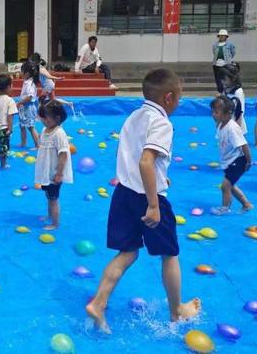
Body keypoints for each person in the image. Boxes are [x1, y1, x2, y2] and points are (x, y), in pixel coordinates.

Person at [86, 68, 201, 332]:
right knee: (170, 254)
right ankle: (177, 311)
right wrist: (153, 203)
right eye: (179, 97)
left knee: (127, 252)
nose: (179, 102)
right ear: (169, 98)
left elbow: (134, 156)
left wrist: (161, 177)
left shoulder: (134, 116)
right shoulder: (162, 123)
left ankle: (98, 303)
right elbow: (146, 160)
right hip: (147, 198)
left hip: (123, 194)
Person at [210, 96, 253, 215]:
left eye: (216, 112)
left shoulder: (232, 128)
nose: (213, 115)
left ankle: (225, 208)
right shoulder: (221, 124)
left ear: (228, 113)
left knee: (225, 186)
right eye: (212, 111)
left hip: (238, 161)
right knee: (231, 186)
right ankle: (246, 204)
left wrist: (249, 161)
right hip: (230, 161)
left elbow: (244, 145)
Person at [35, 100, 73, 230]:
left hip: (54, 174)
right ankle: (50, 216)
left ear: (57, 118)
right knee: (49, 197)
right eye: (42, 117)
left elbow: (63, 154)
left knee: (53, 199)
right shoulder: (46, 130)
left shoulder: (59, 133)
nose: (43, 120)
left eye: (46, 118)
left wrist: (59, 173)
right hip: (47, 173)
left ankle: (55, 223)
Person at [18, 61, 40, 149]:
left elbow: (30, 97)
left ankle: (38, 145)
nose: (20, 73)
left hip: (28, 107)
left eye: (22, 71)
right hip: (24, 107)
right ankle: (23, 142)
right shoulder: (27, 82)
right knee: (22, 126)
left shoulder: (30, 83)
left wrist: (20, 102)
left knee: (31, 127)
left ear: (26, 73)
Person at [221, 65, 247, 134]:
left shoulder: (238, 92)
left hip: (235, 125)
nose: (222, 82)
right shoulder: (226, 90)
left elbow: (239, 113)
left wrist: (237, 131)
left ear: (233, 78)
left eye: (224, 79)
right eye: (221, 79)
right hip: (227, 124)